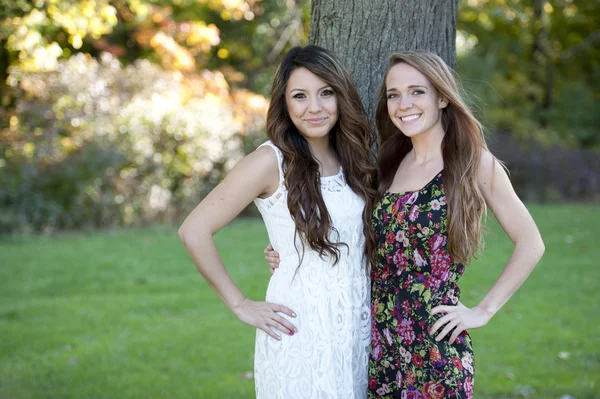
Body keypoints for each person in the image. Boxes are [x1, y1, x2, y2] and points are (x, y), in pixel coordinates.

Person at [265, 51, 545, 398]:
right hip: (378, 346)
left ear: (442, 97)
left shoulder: (473, 163)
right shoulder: (389, 163)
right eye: (394, 95)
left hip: (434, 348)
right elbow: (355, 232)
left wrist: (483, 311)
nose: (403, 104)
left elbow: (531, 242)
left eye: (417, 92)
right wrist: (288, 249)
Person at [178, 45, 378, 398]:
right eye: (300, 96)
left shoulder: (353, 158)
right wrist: (240, 305)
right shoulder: (270, 161)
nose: (314, 107)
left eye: (325, 93)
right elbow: (194, 230)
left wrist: (287, 247)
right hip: (300, 329)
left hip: (356, 328)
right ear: (284, 103)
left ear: (341, 97)